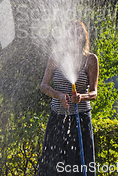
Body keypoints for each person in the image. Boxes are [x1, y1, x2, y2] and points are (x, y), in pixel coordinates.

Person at [38, 20, 99, 175]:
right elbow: (43, 86)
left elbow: (94, 93)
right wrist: (58, 95)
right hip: (57, 117)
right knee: (52, 165)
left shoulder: (90, 59)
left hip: (80, 118)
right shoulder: (56, 57)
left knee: (78, 166)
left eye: (77, 33)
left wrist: (81, 97)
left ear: (82, 37)